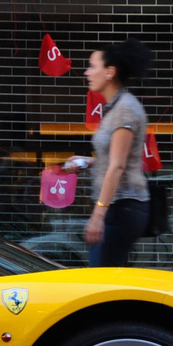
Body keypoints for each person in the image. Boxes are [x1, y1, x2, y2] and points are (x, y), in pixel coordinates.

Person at [64, 40, 154, 268]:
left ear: (110, 72)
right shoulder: (115, 107)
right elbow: (118, 158)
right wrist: (88, 161)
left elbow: (118, 167)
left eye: (92, 66)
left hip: (121, 207)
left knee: (101, 281)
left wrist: (98, 216)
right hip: (118, 207)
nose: (87, 72)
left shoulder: (124, 109)